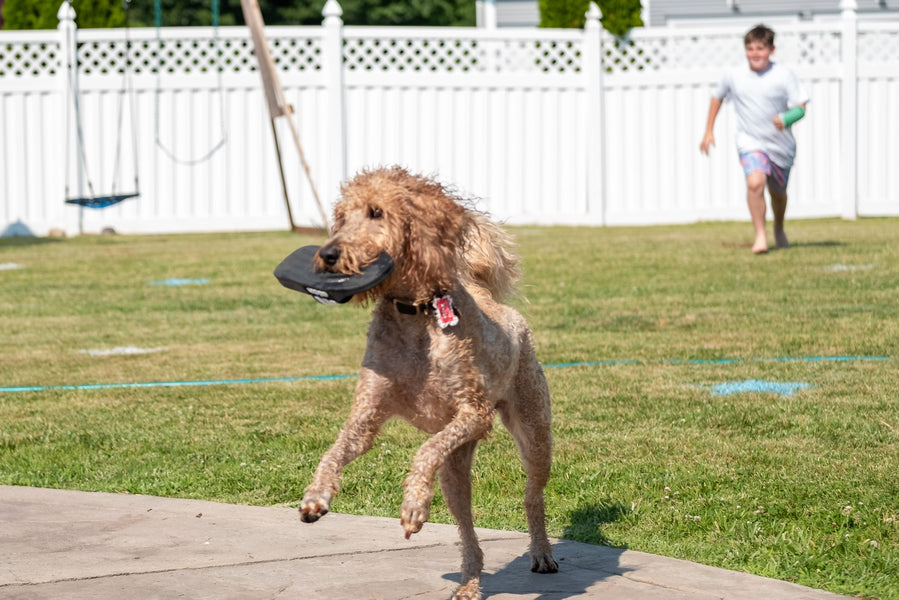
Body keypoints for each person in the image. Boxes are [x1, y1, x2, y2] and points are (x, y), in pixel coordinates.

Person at [700, 24, 809, 254]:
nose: (754, 53)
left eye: (760, 48)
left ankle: (778, 227)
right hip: (750, 142)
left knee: (778, 193)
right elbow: (717, 97)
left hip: (780, 146)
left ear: (772, 49)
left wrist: (787, 117)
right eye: (750, 48)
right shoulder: (734, 75)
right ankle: (760, 235)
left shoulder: (783, 75)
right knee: (755, 182)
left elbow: (801, 107)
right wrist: (709, 130)